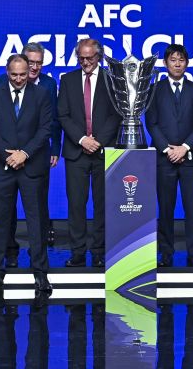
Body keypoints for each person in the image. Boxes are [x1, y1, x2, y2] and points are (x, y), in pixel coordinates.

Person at [0, 54, 54, 295]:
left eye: (23, 74)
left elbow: (45, 128)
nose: (19, 79)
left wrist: (24, 154)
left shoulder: (41, 94)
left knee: (36, 221)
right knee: (0, 220)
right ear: (6, 71)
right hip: (2, 167)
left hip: (31, 166)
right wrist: (8, 155)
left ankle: (40, 272)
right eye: (14, 75)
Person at [0, 42, 62, 264]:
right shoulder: (0, 83)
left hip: (36, 156)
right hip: (6, 159)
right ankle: (9, 252)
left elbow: (52, 121)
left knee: (37, 208)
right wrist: (10, 154)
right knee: (5, 211)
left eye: (38, 63)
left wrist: (53, 147)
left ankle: (38, 259)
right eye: (30, 62)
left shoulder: (48, 85)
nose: (33, 67)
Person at [57, 38, 121, 267]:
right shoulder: (67, 80)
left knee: (103, 205)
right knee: (76, 205)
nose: (85, 62)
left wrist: (98, 141)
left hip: (103, 152)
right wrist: (83, 139)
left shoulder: (111, 79)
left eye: (89, 58)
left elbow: (116, 114)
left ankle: (99, 252)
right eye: (81, 58)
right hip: (76, 152)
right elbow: (63, 114)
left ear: (99, 56)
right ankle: (77, 252)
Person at [147, 44, 193, 268]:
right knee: (165, 208)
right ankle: (166, 254)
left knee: (192, 208)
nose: (177, 64)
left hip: (190, 158)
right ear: (165, 63)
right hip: (164, 158)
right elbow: (151, 123)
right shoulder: (154, 89)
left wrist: (184, 147)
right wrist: (168, 149)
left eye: (181, 60)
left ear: (187, 63)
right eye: (173, 60)